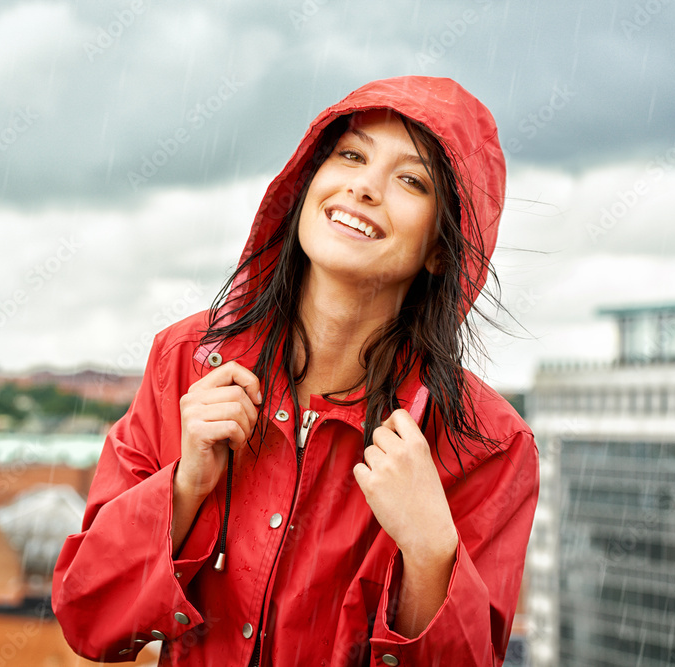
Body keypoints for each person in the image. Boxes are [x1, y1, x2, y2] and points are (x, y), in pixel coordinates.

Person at [53, 76, 539, 666]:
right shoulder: (184, 363)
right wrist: (184, 491)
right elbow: (90, 617)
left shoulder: (489, 445)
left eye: (410, 180)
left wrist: (431, 551)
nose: (364, 186)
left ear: (443, 248)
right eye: (351, 155)